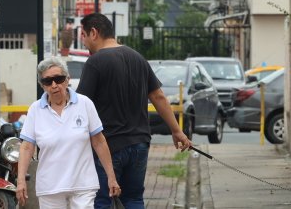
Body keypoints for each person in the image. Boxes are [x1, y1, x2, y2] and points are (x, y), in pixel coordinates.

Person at [75, 13, 191, 209]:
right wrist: (177, 130)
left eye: (84, 36)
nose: (83, 42)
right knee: (134, 200)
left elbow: (80, 106)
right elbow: (158, 97)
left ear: (94, 33)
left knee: (102, 200)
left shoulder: (95, 62)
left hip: (109, 146)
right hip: (139, 144)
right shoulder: (137, 57)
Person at [17, 57, 121, 209]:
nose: (54, 85)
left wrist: (111, 177)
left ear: (67, 80)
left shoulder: (85, 103)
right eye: (48, 81)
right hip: (50, 186)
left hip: (83, 184)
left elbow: (99, 142)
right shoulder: (35, 109)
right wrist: (20, 181)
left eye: (58, 79)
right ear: (42, 85)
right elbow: (26, 147)